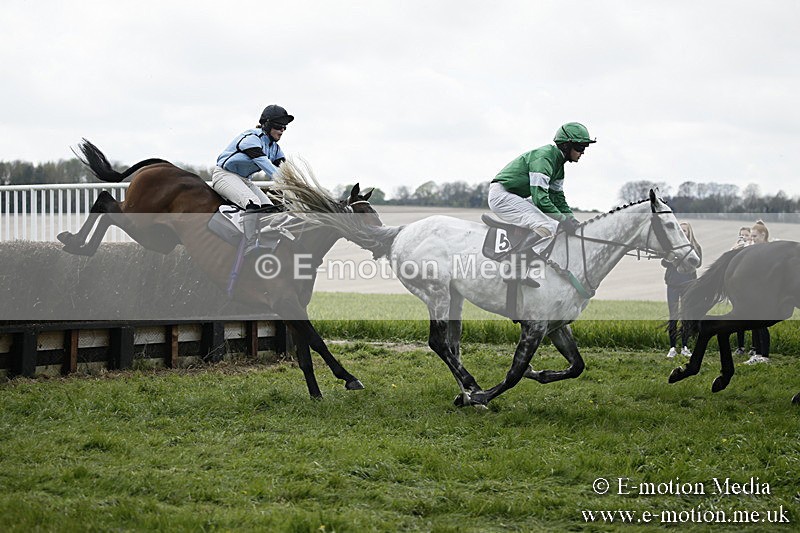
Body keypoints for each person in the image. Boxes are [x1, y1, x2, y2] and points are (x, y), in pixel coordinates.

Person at [488, 122, 596, 244]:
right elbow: (540, 199)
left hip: (515, 197)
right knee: (546, 227)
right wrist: (563, 219)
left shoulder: (559, 167)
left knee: (555, 225)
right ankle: (517, 257)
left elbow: (557, 199)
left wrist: (571, 219)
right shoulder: (544, 159)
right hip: (501, 196)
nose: (582, 152)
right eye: (580, 147)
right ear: (566, 145)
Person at [212, 104, 294, 254]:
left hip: (244, 180)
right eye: (278, 126)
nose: (282, 130)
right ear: (267, 124)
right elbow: (270, 169)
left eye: (284, 127)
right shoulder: (251, 138)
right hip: (224, 175)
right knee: (253, 202)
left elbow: (286, 173)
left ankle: (264, 244)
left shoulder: (275, 148)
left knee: (271, 211)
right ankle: (249, 246)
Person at [663, 222, 702, 358]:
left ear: (689, 232)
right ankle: (672, 347)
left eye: (684, 230)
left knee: (686, 316)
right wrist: (670, 257)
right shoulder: (672, 247)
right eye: (681, 230)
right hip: (673, 284)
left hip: (688, 284)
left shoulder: (695, 247)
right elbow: (664, 263)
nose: (682, 232)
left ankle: (685, 346)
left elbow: (698, 262)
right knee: (673, 315)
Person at [745, 220, 771, 364]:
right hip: (754, 290)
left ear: (763, 234)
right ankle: (757, 352)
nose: (752, 239)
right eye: (751, 237)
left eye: (755, 236)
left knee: (761, 323)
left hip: (765, 291)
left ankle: (764, 356)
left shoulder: (768, 249)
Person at [731, 226, 751, 355]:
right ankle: (740, 346)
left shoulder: (752, 247)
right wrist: (734, 249)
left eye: (746, 235)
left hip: (750, 287)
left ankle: (755, 348)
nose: (743, 237)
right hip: (739, 287)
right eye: (741, 235)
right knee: (739, 316)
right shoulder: (737, 247)